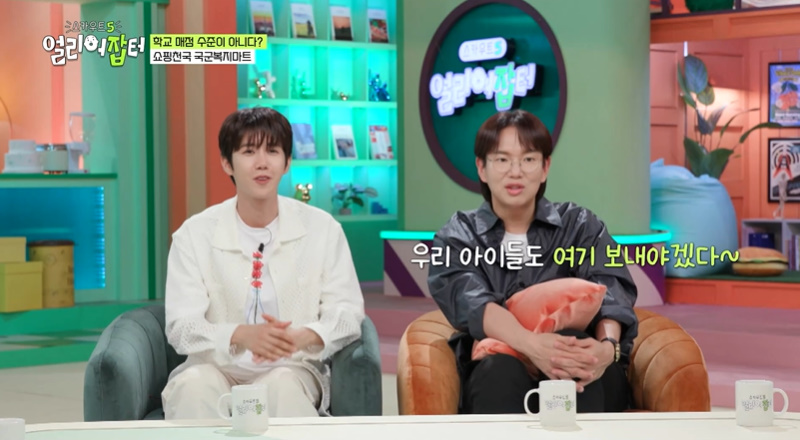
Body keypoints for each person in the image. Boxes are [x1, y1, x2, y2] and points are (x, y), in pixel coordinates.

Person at [427, 109, 638, 415]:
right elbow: (471, 302)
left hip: (585, 370)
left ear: (544, 167)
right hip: (498, 370)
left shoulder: (579, 225)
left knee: (573, 348)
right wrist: (531, 346)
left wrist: (607, 349)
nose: (516, 172)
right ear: (482, 168)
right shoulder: (459, 235)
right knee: (498, 368)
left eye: (528, 159)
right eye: (502, 159)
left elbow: (611, 287)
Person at [161, 106, 365, 419]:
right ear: (226, 162)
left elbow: (348, 312)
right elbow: (181, 327)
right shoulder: (194, 234)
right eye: (248, 151)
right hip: (216, 368)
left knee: (281, 385)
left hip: (293, 368)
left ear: (287, 162)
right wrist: (240, 335)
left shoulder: (323, 229)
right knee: (194, 386)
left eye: (272, 151)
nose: (262, 163)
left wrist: (303, 337)